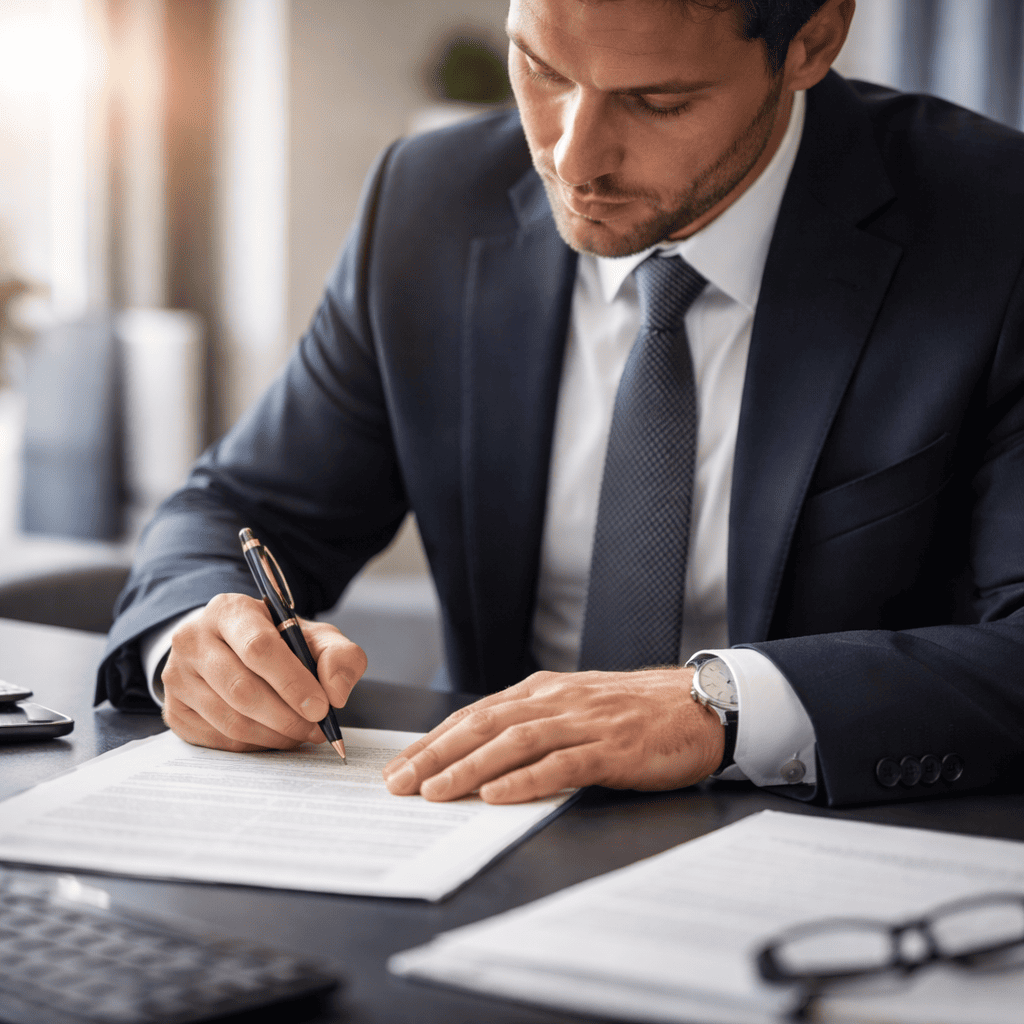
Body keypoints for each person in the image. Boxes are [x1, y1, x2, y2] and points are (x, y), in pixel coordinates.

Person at [98, 0, 1024, 808]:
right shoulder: (429, 201)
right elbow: (241, 509)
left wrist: (723, 707)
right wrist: (196, 636)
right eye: (540, 67)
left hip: (844, 849)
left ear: (813, 42)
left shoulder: (993, 226)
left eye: (660, 102)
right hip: (468, 821)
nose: (574, 159)